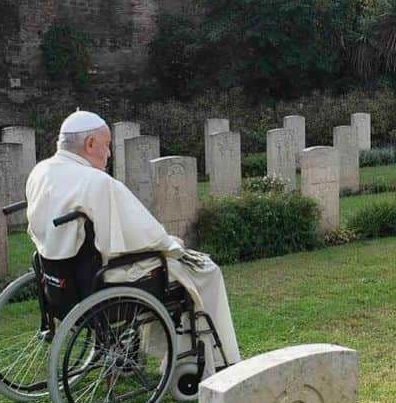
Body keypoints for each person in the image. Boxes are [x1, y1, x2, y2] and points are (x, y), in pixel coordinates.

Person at [25, 110, 240, 377]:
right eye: (106, 145)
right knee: (206, 270)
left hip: (60, 282)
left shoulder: (41, 171)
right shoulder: (96, 182)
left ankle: (139, 350)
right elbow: (144, 236)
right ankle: (211, 360)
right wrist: (170, 242)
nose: (109, 154)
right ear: (90, 144)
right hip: (102, 282)